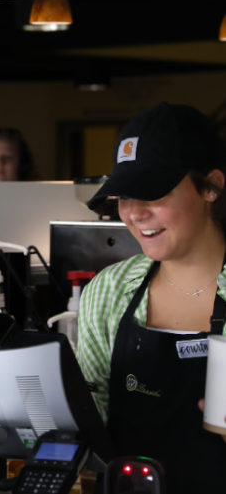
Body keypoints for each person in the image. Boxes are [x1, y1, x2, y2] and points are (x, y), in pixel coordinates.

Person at [79, 102, 226, 492]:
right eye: (124, 197)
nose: (134, 214)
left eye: (153, 194)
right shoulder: (109, 291)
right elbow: (89, 417)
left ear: (211, 186)